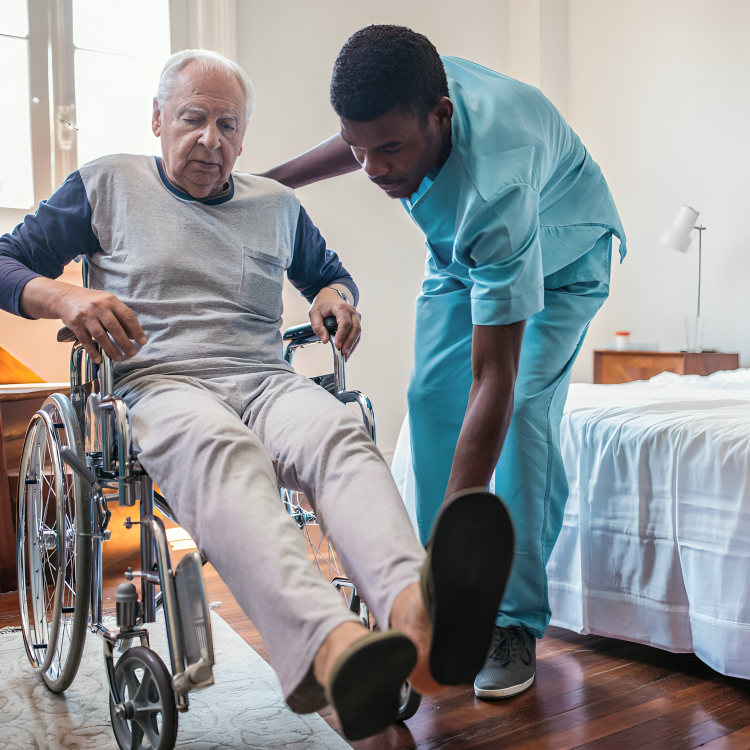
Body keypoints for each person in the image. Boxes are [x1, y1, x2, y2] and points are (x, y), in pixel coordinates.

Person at [0, 49, 514, 740]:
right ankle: (332, 651)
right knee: (225, 451)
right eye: (192, 119)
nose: (210, 140)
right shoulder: (107, 184)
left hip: (265, 380)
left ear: (244, 138)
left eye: (228, 125)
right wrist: (63, 295)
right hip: (162, 382)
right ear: (157, 119)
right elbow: (6, 260)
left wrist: (336, 296)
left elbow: (329, 275)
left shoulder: (276, 205)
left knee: (339, 433)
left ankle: (416, 617)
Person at [261, 24, 626, 700]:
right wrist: (271, 183)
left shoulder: (497, 183)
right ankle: (427, 604)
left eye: (390, 150)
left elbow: (495, 377)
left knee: (520, 415)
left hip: (561, 256)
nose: (373, 169)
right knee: (430, 403)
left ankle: (509, 619)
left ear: (441, 117)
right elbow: (364, 139)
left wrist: (464, 531)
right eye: (359, 149)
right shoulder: (409, 81)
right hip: (466, 256)